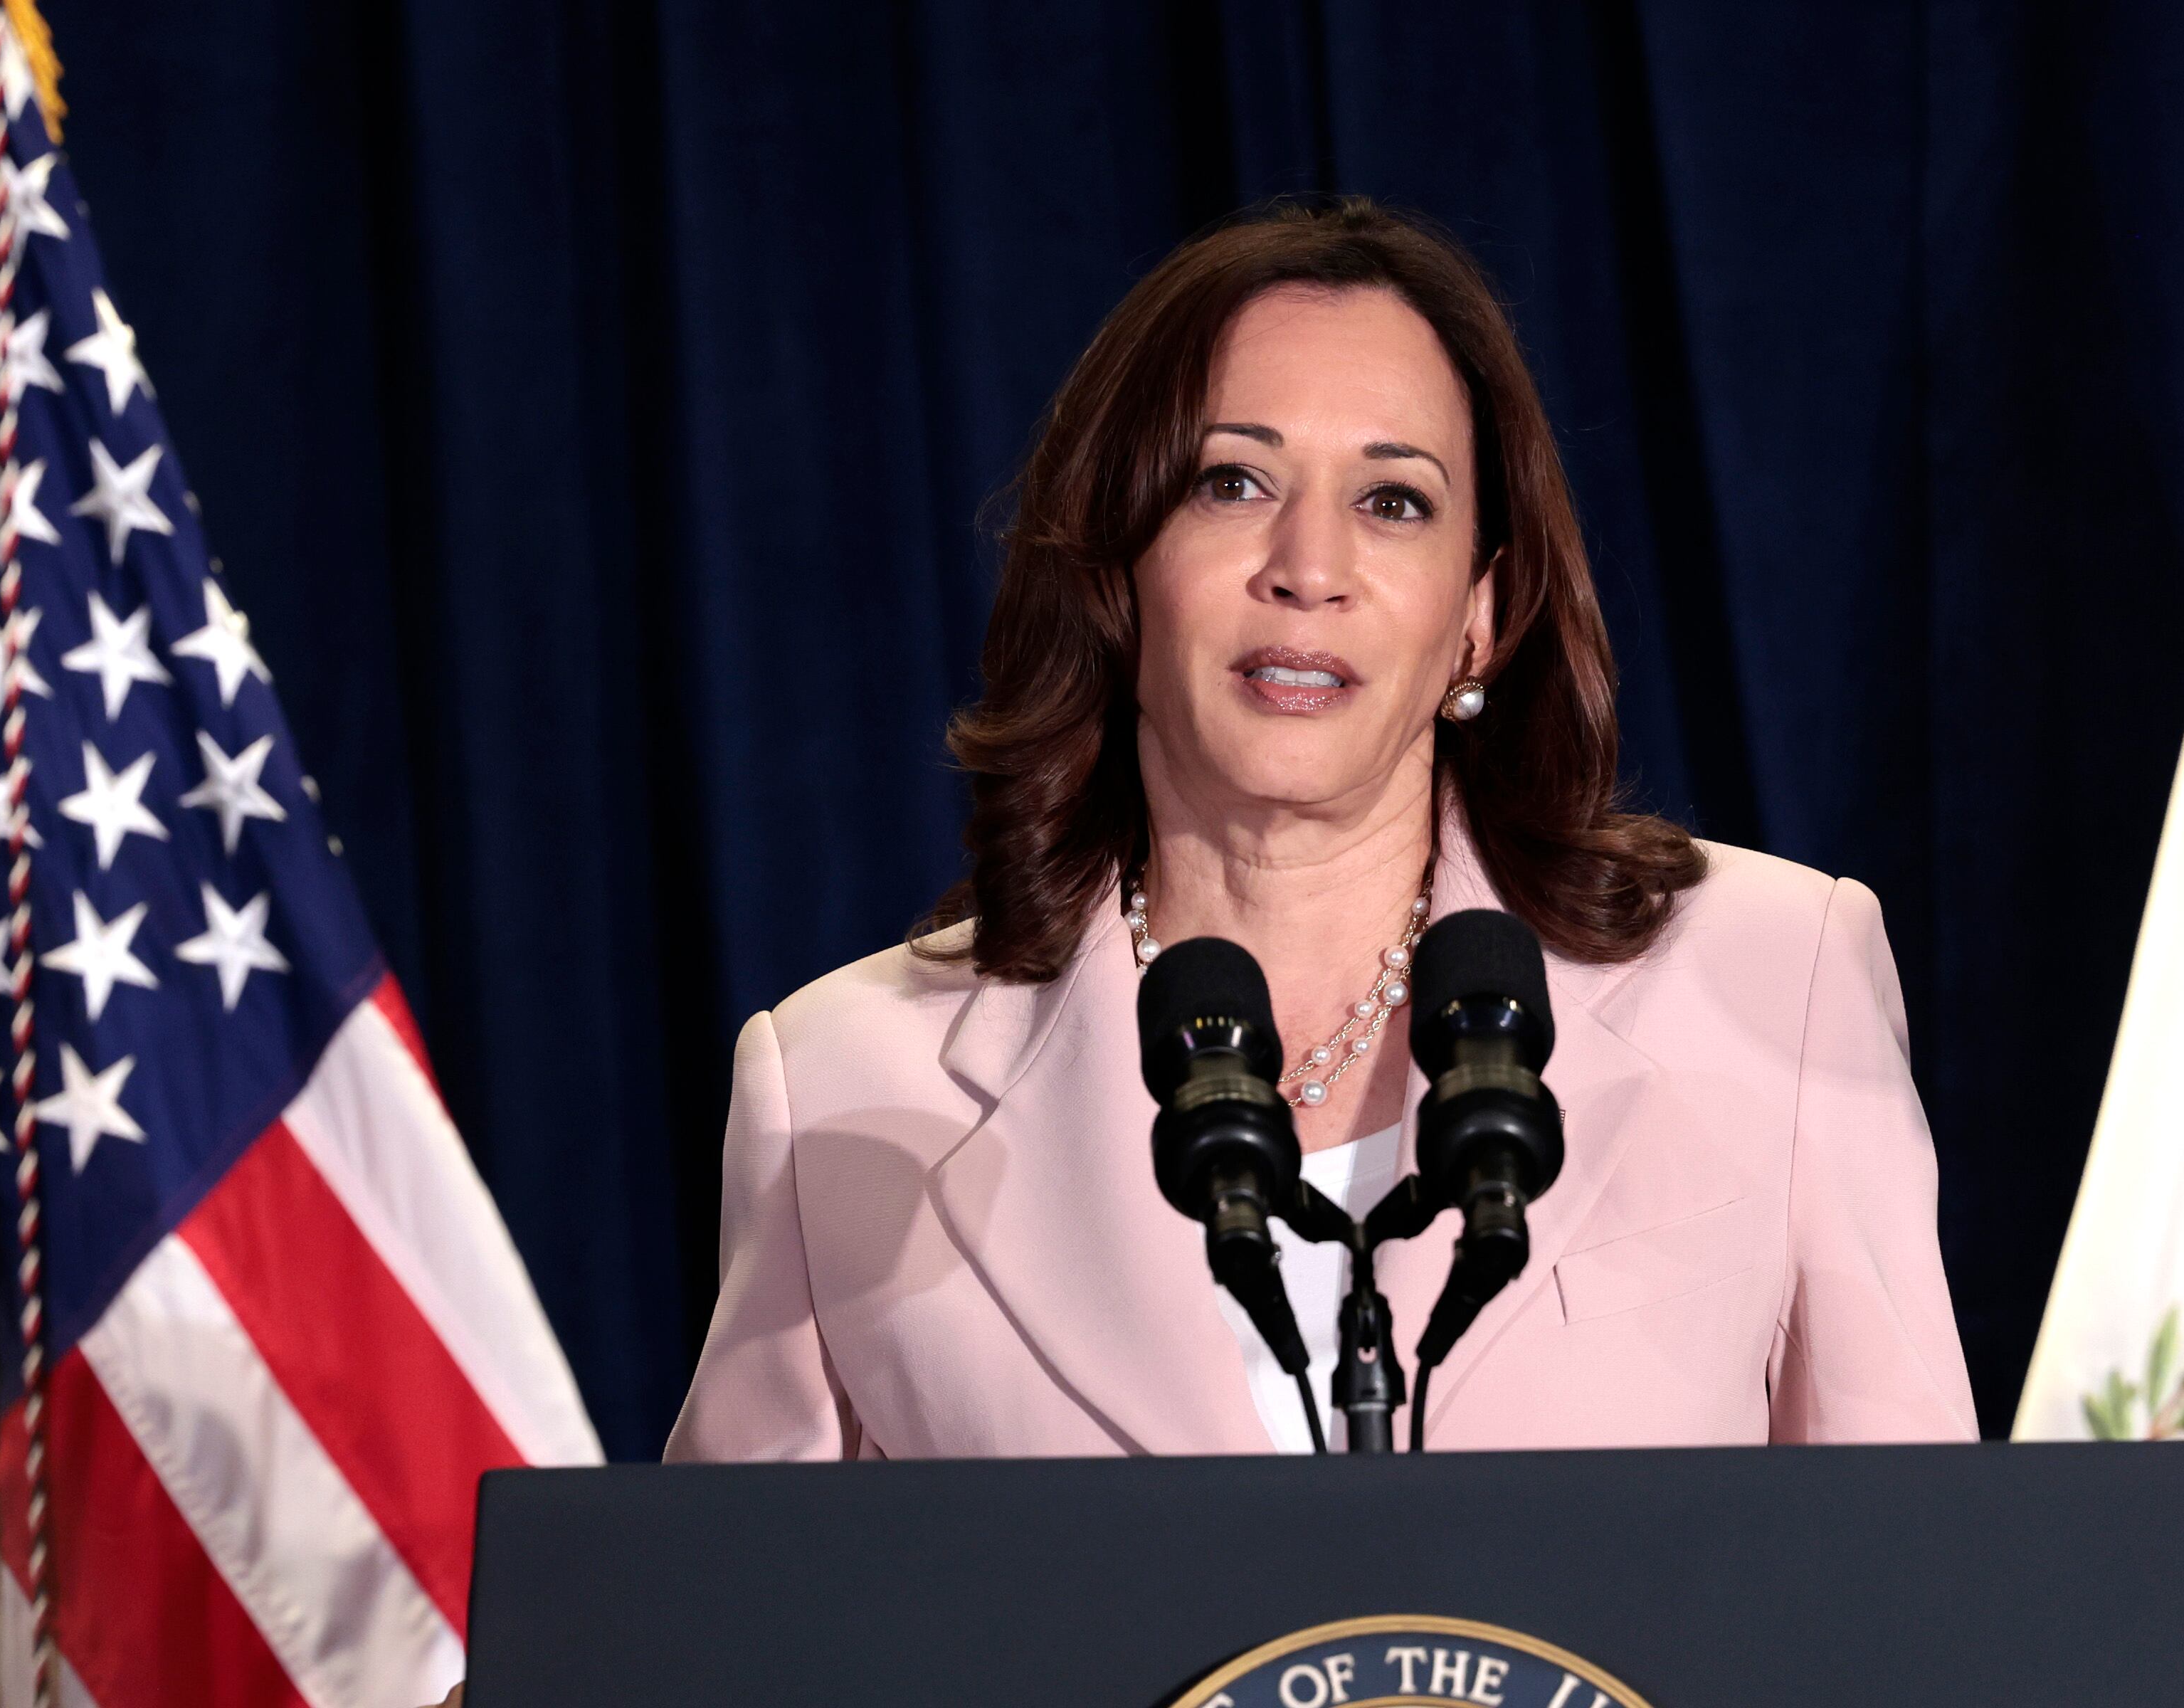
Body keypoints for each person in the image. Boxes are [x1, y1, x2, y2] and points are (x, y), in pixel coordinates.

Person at [664, 199, 1977, 1459]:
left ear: (1480, 611)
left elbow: (1918, 1597)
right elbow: (724, 1637)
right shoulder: (846, 1092)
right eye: (1231, 483)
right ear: (1120, 568)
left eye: (1392, 500)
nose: (1309, 563)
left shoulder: (1771, 978)